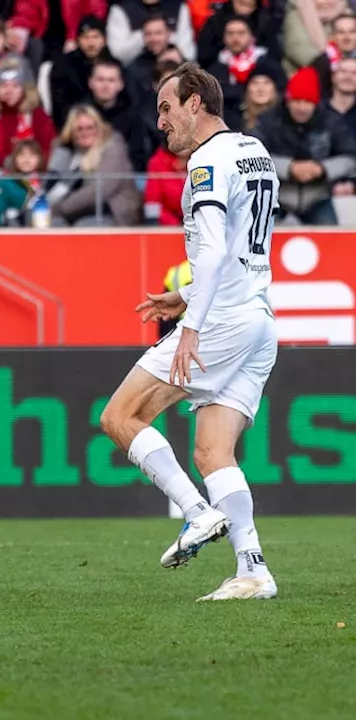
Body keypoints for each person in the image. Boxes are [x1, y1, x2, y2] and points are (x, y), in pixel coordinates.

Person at [100, 62, 279, 602]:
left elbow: (217, 247)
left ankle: (197, 513)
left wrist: (191, 324)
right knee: (213, 454)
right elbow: (243, 244)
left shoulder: (204, 162)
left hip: (219, 320)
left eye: (166, 107)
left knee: (119, 416)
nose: (161, 121)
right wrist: (184, 294)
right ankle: (253, 570)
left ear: (195, 103)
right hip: (257, 318)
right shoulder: (256, 151)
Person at [252, 65, 356, 224]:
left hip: (317, 198)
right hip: (276, 196)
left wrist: (322, 169)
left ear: (315, 103)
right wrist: (288, 168)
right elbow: (253, 156)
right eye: (297, 101)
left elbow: (350, 157)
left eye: (308, 102)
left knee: (330, 240)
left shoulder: (331, 121)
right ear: (288, 100)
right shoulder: (268, 121)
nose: (302, 107)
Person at [44, 104, 143, 225]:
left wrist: (60, 208)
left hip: (111, 210)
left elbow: (100, 190)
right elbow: (50, 183)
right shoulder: (67, 151)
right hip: (73, 211)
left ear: (98, 127)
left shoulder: (113, 148)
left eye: (89, 128)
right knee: (53, 224)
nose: (85, 133)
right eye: (79, 129)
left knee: (84, 226)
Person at [0, 58, 56, 174]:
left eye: (15, 86)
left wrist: (27, 163)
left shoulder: (37, 115)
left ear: (24, 89)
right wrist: (6, 160)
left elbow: (47, 149)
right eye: (3, 86)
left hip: (31, 172)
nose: (9, 91)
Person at [205, 16, 286, 121]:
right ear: (224, 38)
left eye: (241, 33)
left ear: (251, 36)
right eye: (230, 33)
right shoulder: (216, 68)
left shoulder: (267, 63)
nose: (235, 38)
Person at [106, 0, 197, 64]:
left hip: (173, 65)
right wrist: (146, 36)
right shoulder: (120, 8)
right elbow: (118, 52)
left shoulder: (178, 5)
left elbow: (187, 50)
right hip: (135, 67)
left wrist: (176, 54)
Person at [0, 139, 47, 225]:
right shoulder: (5, 183)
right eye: (22, 155)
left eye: (32, 156)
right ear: (14, 159)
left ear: (40, 158)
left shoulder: (46, 182)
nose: (26, 160)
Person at [237, 64, 281, 131]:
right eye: (255, 83)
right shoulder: (236, 118)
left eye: (266, 83)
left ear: (274, 89)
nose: (261, 89)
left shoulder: (282, 120)